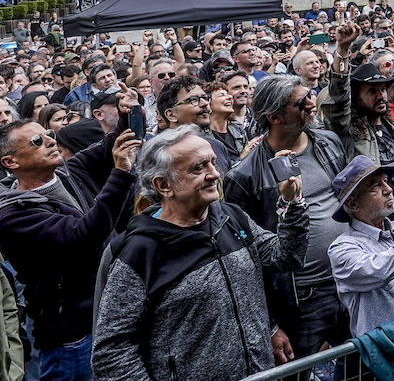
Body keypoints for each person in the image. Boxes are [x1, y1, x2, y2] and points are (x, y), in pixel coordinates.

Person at [91, 126, 308, 381]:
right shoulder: (139, 251)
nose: (215, 174)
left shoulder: (231, 217)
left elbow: (286, 257)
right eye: (198, 168)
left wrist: (292, 203)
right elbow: (112, 350)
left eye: (213, 163)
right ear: (163, 185)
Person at [0, 111, 140, 381]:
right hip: (71, 335)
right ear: (11, 161)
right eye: (38, 141)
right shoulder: (12, 215)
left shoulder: (70, 172)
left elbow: (111, 143)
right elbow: (83, 236)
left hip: (106, 315)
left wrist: (126, 112)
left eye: (49, 137)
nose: (51, 142)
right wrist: (121, 174)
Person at [224, 75, 351, 361]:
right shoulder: (244, 176)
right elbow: (243, 259)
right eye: (300, 102)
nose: (311, 104)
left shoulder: (328, 143)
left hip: (348, 279)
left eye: (310, 95)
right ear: (275, 116)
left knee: (360, 365)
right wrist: (270, 325)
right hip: (300, 299)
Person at [322, 23, 394, 221]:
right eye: (371, 91)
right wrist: (342, 50)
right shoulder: (349, 129)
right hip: (376, 223)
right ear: (356, 97)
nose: (380, 96)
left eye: (383, 89)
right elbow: (338, 97)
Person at [327, 155, 394, 336]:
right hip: (389, 354)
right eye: (375, 186)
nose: (389, 189)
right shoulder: (342, 249)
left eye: (385, 181)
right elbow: (379, 270)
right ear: (353, 203)